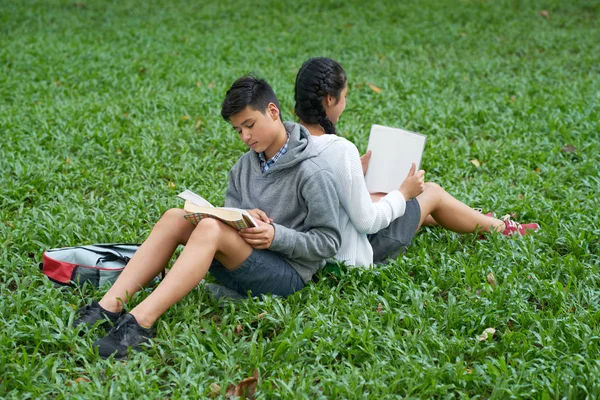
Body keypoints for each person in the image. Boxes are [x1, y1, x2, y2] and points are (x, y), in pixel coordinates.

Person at [73, 75, 341, 359]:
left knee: (211, 229)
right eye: (238, 131)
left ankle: (140, 322)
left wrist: (276, 236)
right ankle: (108, 307)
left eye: (249, 125)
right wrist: (242, 215)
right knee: (175, 217)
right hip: (241, 265)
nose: (246, 137)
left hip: (287, 276)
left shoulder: (312, 171)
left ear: (273, 111)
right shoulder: (243, 166)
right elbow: (230, 216)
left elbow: (329, 241)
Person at [294, 57, 539, 267]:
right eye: (344, 97)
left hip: (316, 244)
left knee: (382, 194)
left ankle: (473, 219)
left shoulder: (289, 140)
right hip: (355, 251)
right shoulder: (339, 149)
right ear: (329, 99)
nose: (345, 104)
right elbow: (367, 221)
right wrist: (403, 192)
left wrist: (355, 171)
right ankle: (502, 229)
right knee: (431, 192)